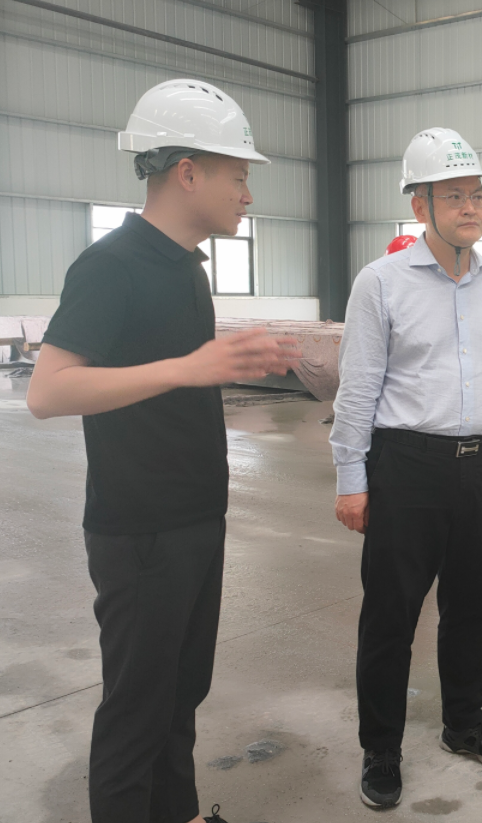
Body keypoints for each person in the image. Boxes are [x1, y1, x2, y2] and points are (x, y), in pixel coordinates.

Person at [26, 79, 296, 823]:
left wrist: (207, 366)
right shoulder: (112, 265)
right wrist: (187, 368)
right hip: (141, 529)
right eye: (237, 176)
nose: (247, 194)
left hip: (194, 518)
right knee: (137, 712)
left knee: (180, 696)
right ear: (187, 172)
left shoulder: (184, 266)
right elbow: (48, 391)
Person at [330, 127, 482, 810]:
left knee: (473, 608)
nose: (471, 207)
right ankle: (381, 748)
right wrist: (351, 480)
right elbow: (358, 388)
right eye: (453, 196)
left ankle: (464, 724)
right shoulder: (381, 283)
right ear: (419, 206)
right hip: (407, 467)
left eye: (477, 194)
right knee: (391, 616)